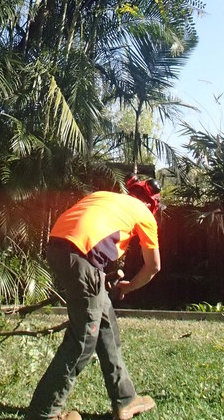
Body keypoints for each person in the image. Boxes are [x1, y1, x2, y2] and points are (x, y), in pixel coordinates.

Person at [26, 175, 162, 420]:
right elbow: (153, 266)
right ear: (152, 204)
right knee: (83, 339)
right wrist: (128, 286)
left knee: (106, 325)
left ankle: (125, 400)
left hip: (57, 248)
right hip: (83, 259)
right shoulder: (144, 215)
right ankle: (44, 413)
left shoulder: (104, 197)